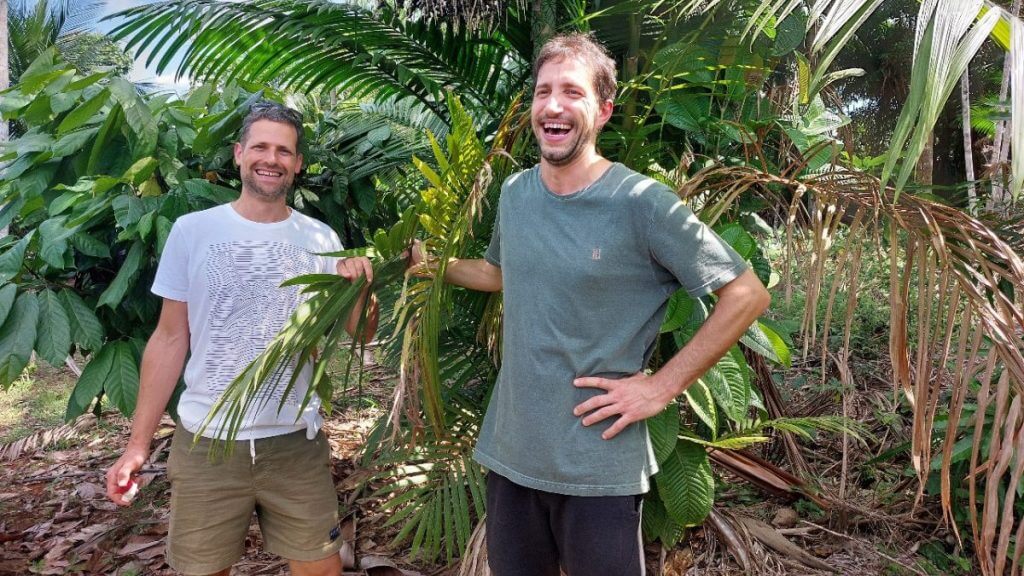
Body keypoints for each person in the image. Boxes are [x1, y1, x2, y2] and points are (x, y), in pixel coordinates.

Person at [413, 33, 771, 575]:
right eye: (543, 91)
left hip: (597, 466)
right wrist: (432, 265)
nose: (553, 105)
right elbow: (500, 274)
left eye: (572, 92)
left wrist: (661, 387)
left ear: (603, 111)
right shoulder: (515, 193)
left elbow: (746, 294)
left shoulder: (642, 203)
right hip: (512, 455)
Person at [105, 101, 376, 576]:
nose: (271, 159)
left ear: (298, 163)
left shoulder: (320, 239)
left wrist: (362, 287)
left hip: (294, 442)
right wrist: (137, 445)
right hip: (208, 442)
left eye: (284, 151)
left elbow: (362, 332)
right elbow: (169, 339)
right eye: (260, 147)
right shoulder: (193, 232)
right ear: (238, 153)